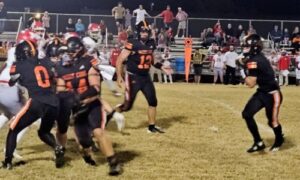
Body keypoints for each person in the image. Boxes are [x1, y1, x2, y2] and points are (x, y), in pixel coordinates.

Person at [56, 37, 121, 175]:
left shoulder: (89, 63)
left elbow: (95, 89)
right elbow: (60, 89)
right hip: (77, 109)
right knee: (84, 143)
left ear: (79, 49)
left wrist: (78, 97)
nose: (70, 54)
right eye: (69, 52)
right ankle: (86, 155)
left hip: (92, 104)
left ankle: (113, 162)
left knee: (98, 131)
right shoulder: (63, 68)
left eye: (72, 51)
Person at [2, 40, 63, 169]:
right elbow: (53, 78)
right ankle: (57, 147)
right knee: (44, 132)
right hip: (53, 102)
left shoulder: (18, 65)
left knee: (13, 129)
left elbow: (12, 82)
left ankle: (7, 161)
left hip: (37, 102)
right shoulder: (45, 62)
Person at [116, 21, 171, 133]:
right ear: (138, 32)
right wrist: (119, 76)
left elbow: (152, 60)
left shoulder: (151, 43)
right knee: (127, 106)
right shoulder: (132, 42)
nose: (144, 33)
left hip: (145, 77)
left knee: (153, 101)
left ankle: (151, 127)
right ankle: (110, 114)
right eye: (142, 31)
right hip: (133, 77)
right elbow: (120, 60)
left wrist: (162, 67)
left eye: (146, 31)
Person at [238, 34, 284, 153]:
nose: (244, 48)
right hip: (263, 91)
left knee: (272, 121)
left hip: (273, 94)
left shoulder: (255, 60)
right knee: (247, 114)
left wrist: (242, 70)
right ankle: (258, 142)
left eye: (247, 46)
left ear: (254, 47)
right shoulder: (257, 57)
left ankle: (279, 140)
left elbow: (251, 84)